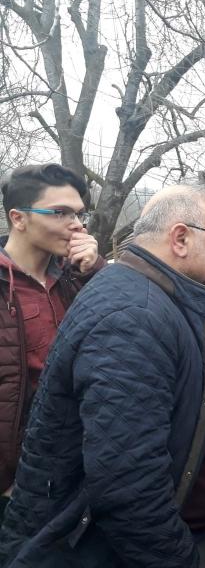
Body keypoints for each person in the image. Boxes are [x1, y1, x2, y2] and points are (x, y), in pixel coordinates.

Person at [0, 185, 205, 568]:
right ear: (180, 238)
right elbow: (127, 484)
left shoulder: (151, 297)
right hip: (117, 564)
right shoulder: (134, 317)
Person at [0, 163, 103, 525]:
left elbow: (116, 340)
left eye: (79, 213)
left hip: (77, 466)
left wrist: (94, 273)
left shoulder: (76, 276)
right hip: (13, 482)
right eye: (60, 213)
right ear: (19, 218)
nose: (76, 224)